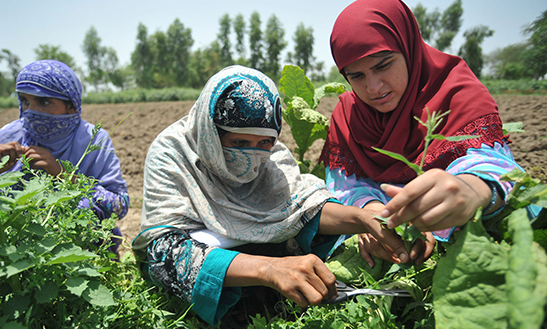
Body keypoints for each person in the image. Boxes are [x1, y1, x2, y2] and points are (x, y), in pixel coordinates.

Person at [133, 65, 411, 327]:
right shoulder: (175, 154)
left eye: (264, 143)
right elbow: (164, 254)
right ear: (211, 134)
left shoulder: (273, 158)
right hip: (219, 262)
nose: (253, 155)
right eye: (239, 143)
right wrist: (269, 269)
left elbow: (302, 208)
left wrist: (363, 218)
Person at [320, 0, 537, 267]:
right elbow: (345, 186)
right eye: (357, 76)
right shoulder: (347, 116)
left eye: (383, 65)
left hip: (467, 230)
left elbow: (492, 165)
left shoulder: (457, 93)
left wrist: (471, 190)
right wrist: (371, 213)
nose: (373, 87)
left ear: (409, 48)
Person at [0, 59, 129, 253]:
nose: (30, 111)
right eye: (25, 101)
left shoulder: (93, 140)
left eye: (44, 101)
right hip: (13, 254)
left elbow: (119, 205)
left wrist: (62, 173)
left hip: (80, 253)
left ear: (71, 106)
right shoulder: (10, 134)